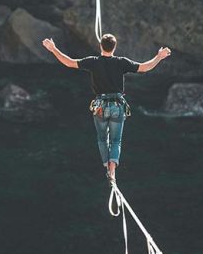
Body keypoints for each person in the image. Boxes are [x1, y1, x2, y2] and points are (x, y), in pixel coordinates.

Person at [41, 34, 171, 183]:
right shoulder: (121, 62)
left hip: (100, 106)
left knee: (103, 139)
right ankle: (113, 172)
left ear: (100, 46)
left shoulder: (93, 62)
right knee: (116, 141)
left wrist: (53, 49)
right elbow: (145, 67)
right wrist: (159, 57)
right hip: (117, 105)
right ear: (114, 47)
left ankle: (106, 166)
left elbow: (69, 62)